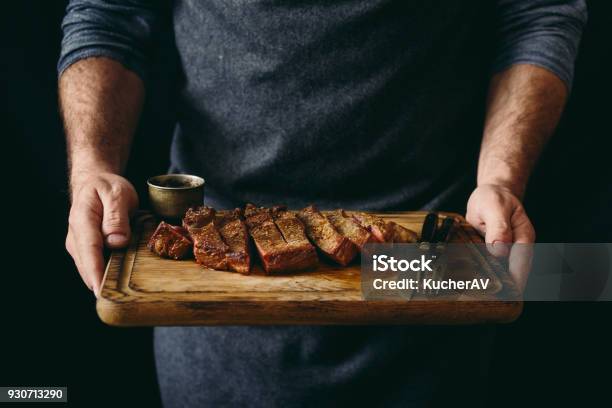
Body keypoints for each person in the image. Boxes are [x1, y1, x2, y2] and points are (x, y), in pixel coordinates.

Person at [58, 1, 586, 406]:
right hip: (214, 280)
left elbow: (536, 12)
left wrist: (501, 178)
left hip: (430, 267)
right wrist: (92, 169)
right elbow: (110, 13)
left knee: (586, 280)